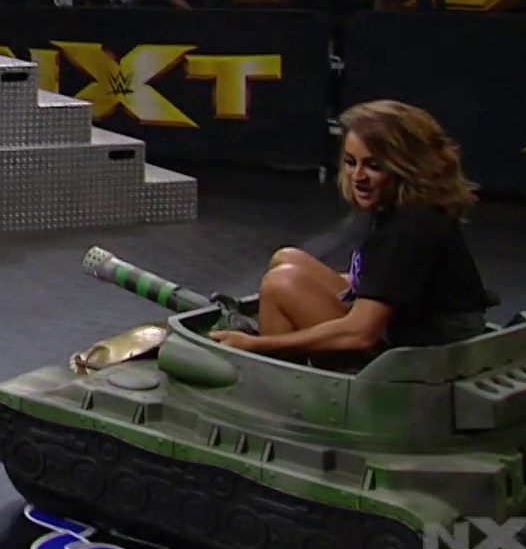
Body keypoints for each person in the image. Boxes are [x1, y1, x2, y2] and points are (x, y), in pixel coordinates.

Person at [210, 100, 496, 358]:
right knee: (287, 259)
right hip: (409, 325)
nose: (357, 176)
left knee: (280, 284)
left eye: (374, 166)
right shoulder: (402, 208)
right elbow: (389, 280)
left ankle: (280, 374)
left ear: (406, 166)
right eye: (350, 162)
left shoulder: (411, 226)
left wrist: (257, 344)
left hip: (419, 353)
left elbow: (360, 334)